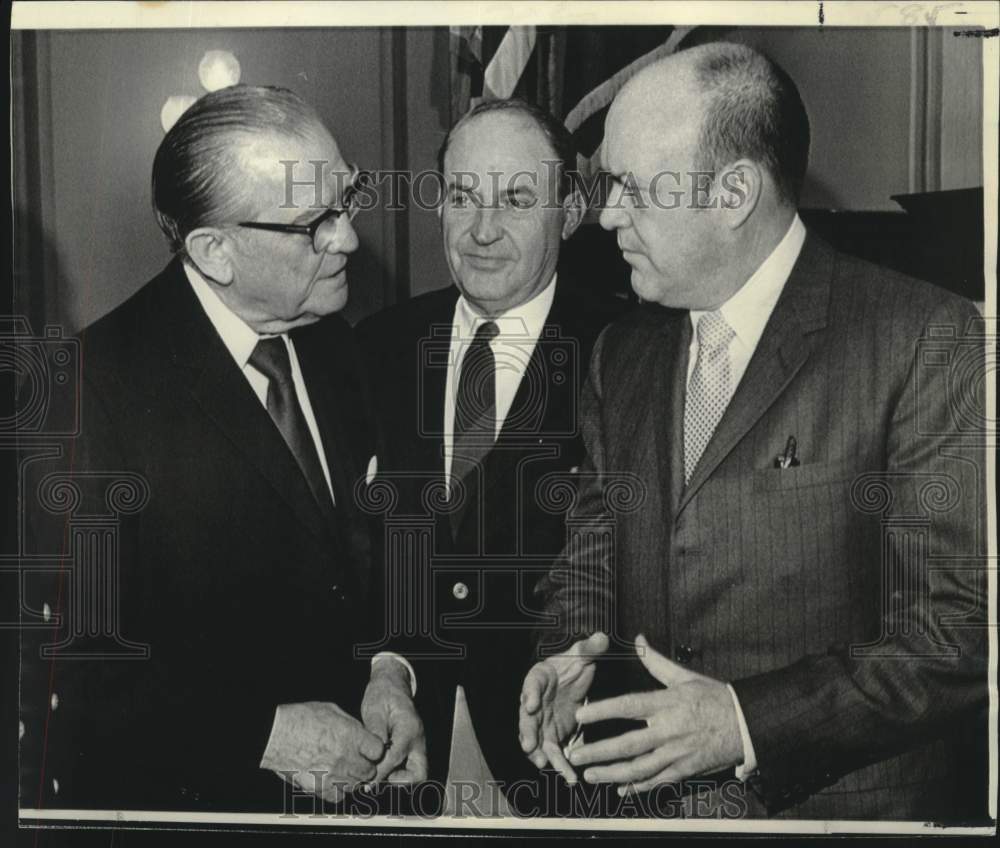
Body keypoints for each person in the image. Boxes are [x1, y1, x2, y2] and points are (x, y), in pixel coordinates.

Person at [519, 42, 987, 820]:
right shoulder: (622, 352)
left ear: (735, 192)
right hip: (646, 808)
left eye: (632, 188)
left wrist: (743, 721)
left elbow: (956, 633)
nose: (605, 216)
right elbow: (595, 546)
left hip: (838, 812)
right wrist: (567, 652)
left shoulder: (920, 339)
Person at [20, 85, 395, 812]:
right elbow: (73, 665)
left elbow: (358, 560)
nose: (348, 237)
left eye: (349, 198)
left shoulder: (337, 346)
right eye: (315, 223)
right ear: (215, 252)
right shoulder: (83, 394)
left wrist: (389, 668)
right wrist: (262, 733)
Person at [355, 98, 625, 808]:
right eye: (463, 195)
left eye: (515, 199)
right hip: (408, 753)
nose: (480, 230)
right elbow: (359, 542)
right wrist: (385, 663)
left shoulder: (629, 350)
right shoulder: (378, 346)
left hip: (570, 760)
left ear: (569, 212)